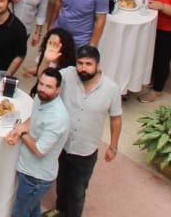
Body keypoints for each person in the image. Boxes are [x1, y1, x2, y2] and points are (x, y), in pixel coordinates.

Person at [56, 46, 122, 217]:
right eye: (80, 63)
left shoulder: (111, 89)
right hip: (62, 144)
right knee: (61, 183)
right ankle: (59, 211)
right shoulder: (67, 75)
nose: (83, 68)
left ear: (98, 65)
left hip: (85, 150)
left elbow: (116, 118)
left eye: (88, 64)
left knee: (77, 191)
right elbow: (45, 80)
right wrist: (48, 59)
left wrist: (113, 147)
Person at [6, 68, 70, 217]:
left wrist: (22, 132)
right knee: (33, 210)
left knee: (19, 213)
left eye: (49, 86)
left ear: (58, 90)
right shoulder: (41, 98)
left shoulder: (57, 118)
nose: (42, 89)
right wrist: (20, 129)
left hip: (36, 178)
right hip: (28, 168)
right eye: (41, 84)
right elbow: (34, 118)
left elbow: (39, 151)